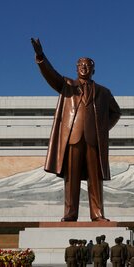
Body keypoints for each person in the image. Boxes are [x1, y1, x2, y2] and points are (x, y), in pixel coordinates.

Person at [31, 38, 121, 222]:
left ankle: (97, 214)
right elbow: (51, 75)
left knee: (95, 178)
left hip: (93, 140)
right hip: (72, 138)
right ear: (76, 68)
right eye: (81, 64)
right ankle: (70, 213)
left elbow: (116, 112)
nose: (84, 67)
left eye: (88, 65)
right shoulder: (67, 85)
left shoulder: (103, 92)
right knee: (71, 178)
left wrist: (103, 129)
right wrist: (41, 56)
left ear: (93, 70)